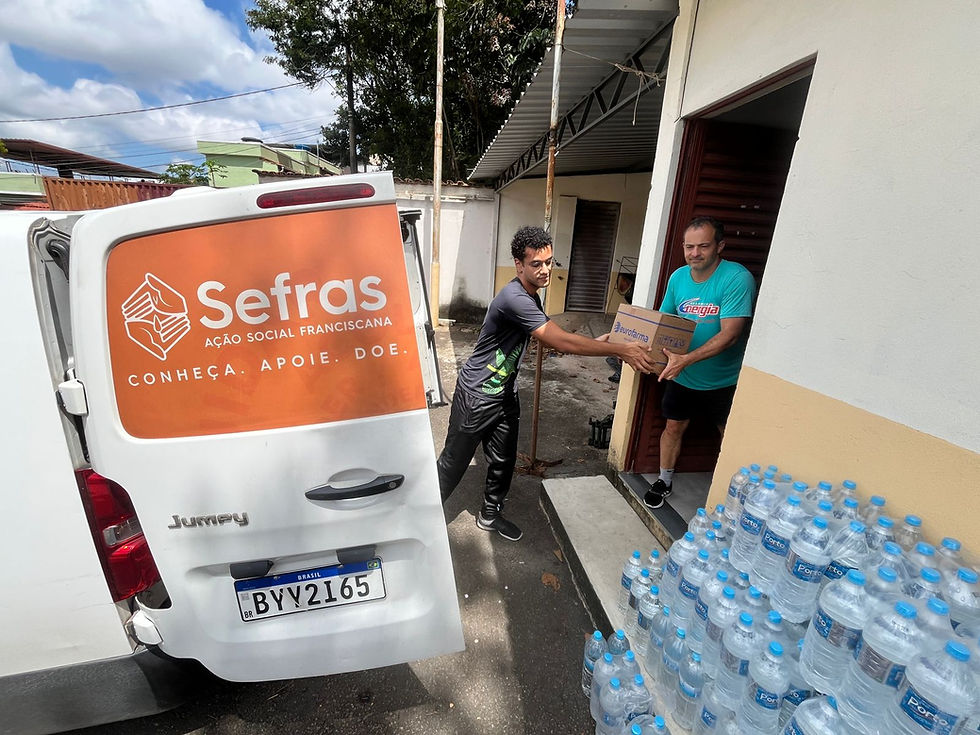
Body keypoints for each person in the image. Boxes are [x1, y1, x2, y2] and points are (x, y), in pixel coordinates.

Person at [438, 225, 659, 541]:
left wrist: (594, 341)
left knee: (503, 460)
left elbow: (549, 338)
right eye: (536, 264)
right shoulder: (514, 298)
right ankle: (419, 520)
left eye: (549, 262)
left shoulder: (532, 297)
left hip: (504, 396)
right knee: (451, 465)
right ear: (519, 264)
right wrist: (619, 349)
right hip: (477, 395)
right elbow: (561, 340)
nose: (545, 271)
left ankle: (490, 515)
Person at [643, 215, 756, 510]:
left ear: (720, 245)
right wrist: (644, 353)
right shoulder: (678, 277)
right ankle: (664, 480)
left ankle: (730, 496)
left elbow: (731, 334)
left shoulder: (736, 278)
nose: (695, 253)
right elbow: (664, 323)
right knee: (672, 428)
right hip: (683, 377)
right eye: (689, 246)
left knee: (728, 436)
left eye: (703, 246)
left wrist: (686, 359)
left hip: (724, 379)